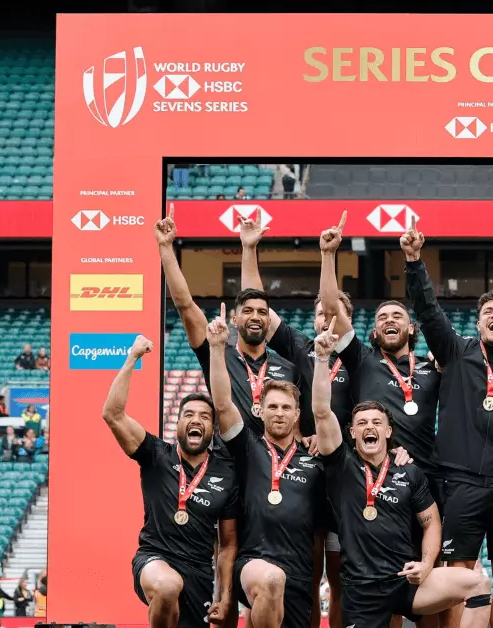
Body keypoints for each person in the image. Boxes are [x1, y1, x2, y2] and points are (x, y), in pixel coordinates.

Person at [400, 217, 493, 628]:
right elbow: (427, 310)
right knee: (460, 571)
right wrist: (413, 261)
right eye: (488, 311)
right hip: (460, 481)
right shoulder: (457, 351)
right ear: (478, 323)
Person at [308, 323, 491, 628]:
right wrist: (322, 359)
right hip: (363, 591)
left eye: (377, 422)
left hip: (406, 581)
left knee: (478, 584)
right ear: (352, 433)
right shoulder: (342, 467)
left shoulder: (409, 470)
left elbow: (431, 522)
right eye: (362, 423)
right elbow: (322, 412)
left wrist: (427, 564)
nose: (370, 427)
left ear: (388, 431)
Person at [239, 214, 352, 628]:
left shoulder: (359, 358)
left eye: (334, 313)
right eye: (320, 313)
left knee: (340, 578)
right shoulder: (303, 348)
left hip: (342, 475)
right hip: (301, 468)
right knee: (307, 570)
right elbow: (259, 309)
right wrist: (249, 248)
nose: (325, 319)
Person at [104, 335, 240, 628]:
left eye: (205, 416)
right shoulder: (156, 454)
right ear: (176, 423)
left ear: (213, 429)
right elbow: (113, 414)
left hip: (199, 573)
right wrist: (132, 357)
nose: (197, 420)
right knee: (166, 587)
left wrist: (225, 595)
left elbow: (228, 546)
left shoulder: (226, 473)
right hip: (154, 559)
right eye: (188, 414)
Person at [206, 305, 327, 628]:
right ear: (259, 410)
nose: (279, 413)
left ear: (297, 414)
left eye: (286, 407)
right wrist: (218, 350)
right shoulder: (248, 447)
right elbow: (221, 404)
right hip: (255, 562)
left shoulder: (314, 460)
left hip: (300, 573)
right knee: (271, 580)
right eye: (271, 406)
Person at [156, 213, 301, 436]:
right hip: (227, 463)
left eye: (262, 312)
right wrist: (166, 248)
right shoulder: (216, 353)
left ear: (269, 320)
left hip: (272, 465)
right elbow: (184, 305)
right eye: (248, 311)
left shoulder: (289, 367)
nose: (255, 316)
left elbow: (296, 427)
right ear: (234, 320)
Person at [320, 249, 445, 509]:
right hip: (375, 472)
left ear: (411, 328)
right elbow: (332, 308)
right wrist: (328, 254)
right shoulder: (362, 359)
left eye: (398, 316)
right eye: (382, 318)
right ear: (375, 332)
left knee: (430, 546)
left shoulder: (431, 367)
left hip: (426, 474)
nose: (390, 320)